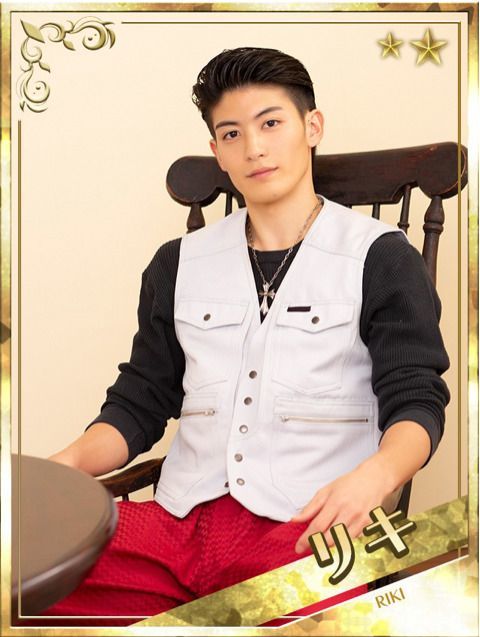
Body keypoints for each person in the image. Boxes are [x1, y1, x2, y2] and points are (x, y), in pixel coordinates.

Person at [45, 47, 449, 624]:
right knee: (28, 570)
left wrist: (376, 478)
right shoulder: (177, 263)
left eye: (271, 123)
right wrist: (57, 469)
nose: (254, 148)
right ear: (217, 151)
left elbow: (417, 398)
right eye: (231, 133)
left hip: (304, 527)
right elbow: (139, 402)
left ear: (312, 127)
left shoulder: (380, 257)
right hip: (176, 527)